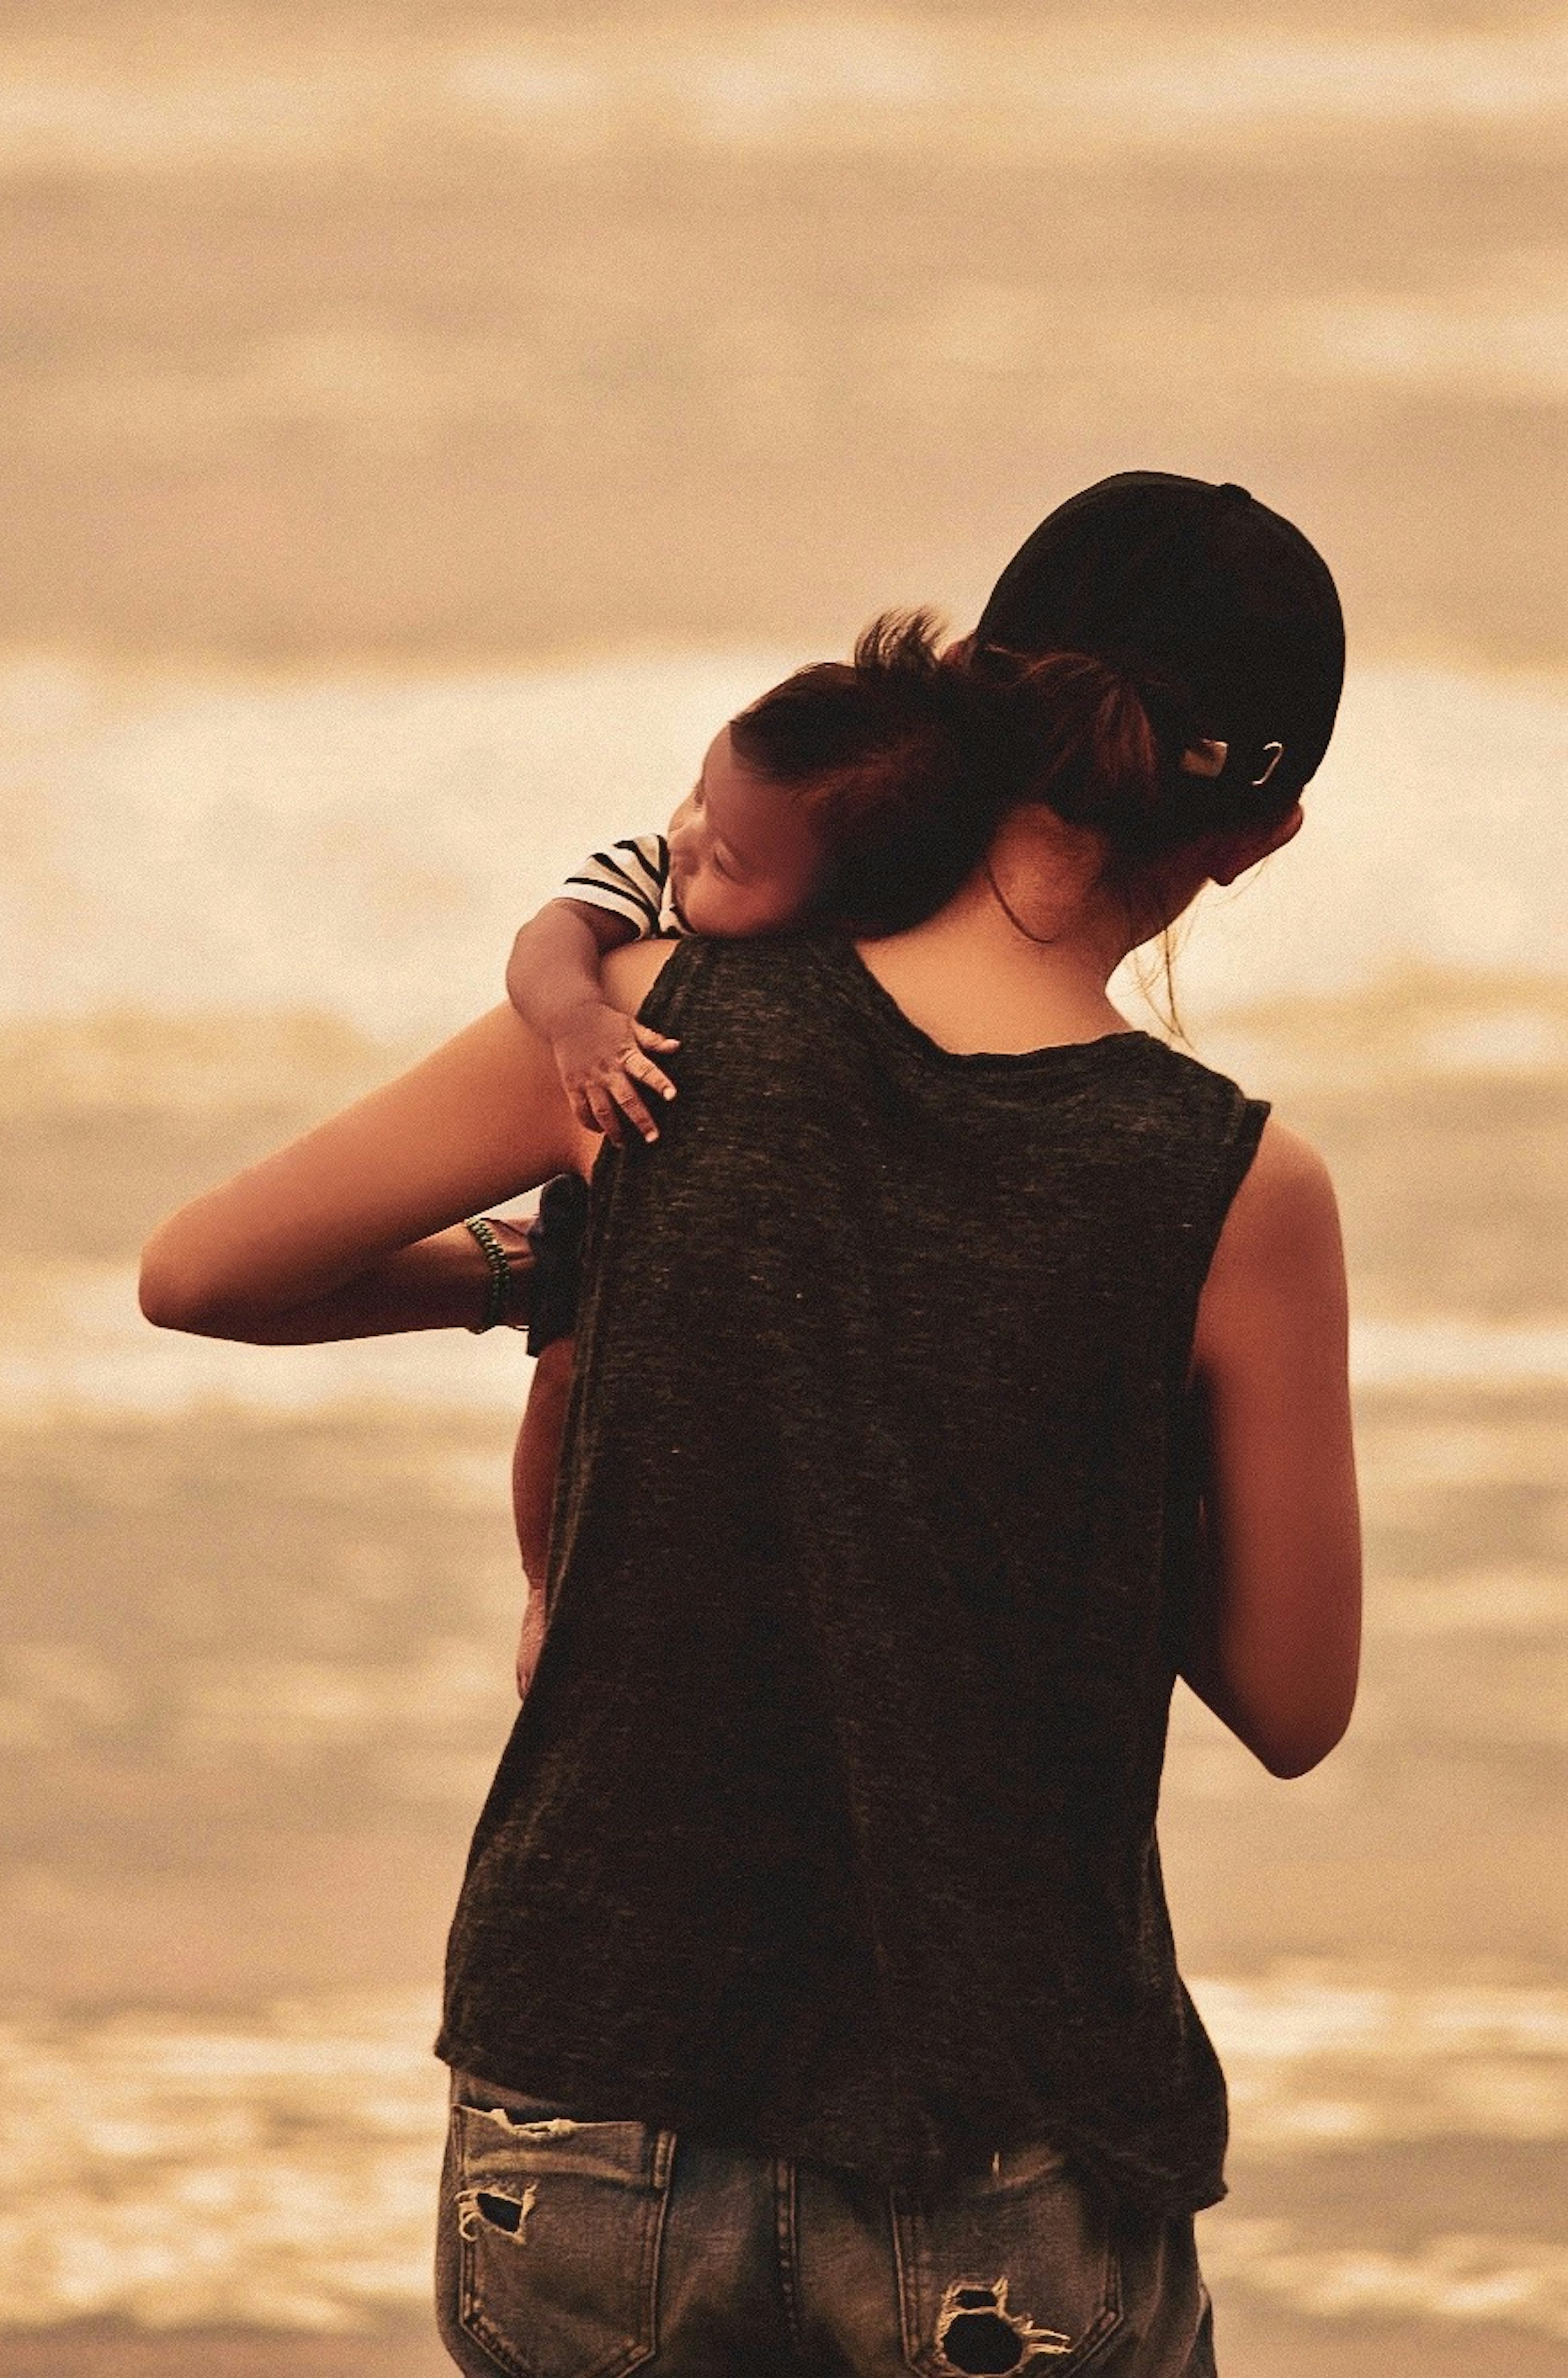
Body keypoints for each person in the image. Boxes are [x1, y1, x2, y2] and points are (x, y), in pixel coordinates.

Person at [139, 472, 1361, 2377]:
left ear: (975, 689)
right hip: (1001, 2149)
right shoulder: (1228, 1187)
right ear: (1264, 832)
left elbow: (207, 1272)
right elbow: (1295, 1702)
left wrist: (553, 1266)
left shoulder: (649, 1026)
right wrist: (1064, 1415)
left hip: (589, 2112)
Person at [504, 617, 1080, 1692]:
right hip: (615, 1155)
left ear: (842, 908)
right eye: (696, 797)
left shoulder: (859, 958)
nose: (682, 840)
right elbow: (546, 942)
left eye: (727, 855)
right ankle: (545, 1588)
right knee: (564, 1379)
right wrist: (580, 1019)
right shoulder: (651, 880)